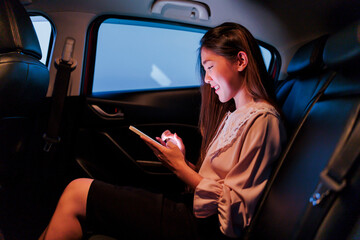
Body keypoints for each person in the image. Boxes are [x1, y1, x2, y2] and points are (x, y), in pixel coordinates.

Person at [39, 22, 286, 240]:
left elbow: (234, 210)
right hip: (193, 212)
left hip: (200, 227)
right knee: (75, 193)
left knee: (77, 192)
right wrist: (181, 161)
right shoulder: (235, 115)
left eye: (210, 67)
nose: (207, 79)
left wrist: (179, 167)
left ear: (241, 61)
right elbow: (215, 183)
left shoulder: (262, 121)